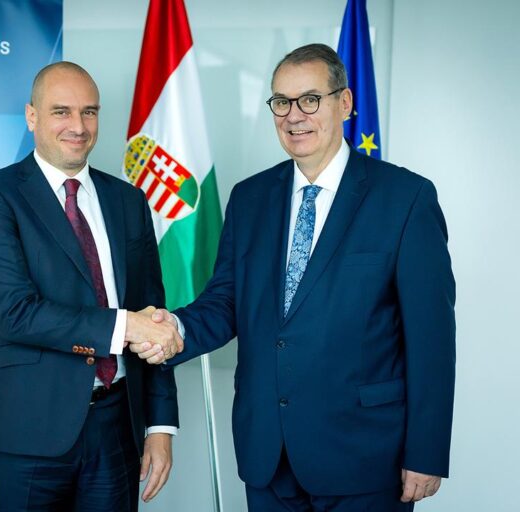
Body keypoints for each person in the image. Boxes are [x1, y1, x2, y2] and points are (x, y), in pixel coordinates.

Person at [131, 43, 455, 511]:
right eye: (281, 102)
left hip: (366, 455)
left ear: (344, 103)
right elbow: (226, 302)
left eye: (310, 99)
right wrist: (175, 328)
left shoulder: (405, 198)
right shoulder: (250, 198)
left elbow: (432, 339)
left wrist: (426, 451)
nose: (294, 115)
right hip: (268, 454)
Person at [0, 61, 183, 511]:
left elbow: (153, 314)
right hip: (28, 429)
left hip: (117, 427)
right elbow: (17, 313)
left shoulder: (128, 200)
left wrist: (160, 426)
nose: (78, 126)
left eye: (89, 112)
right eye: (61, 111)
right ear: (32, 116)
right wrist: (126, 327)